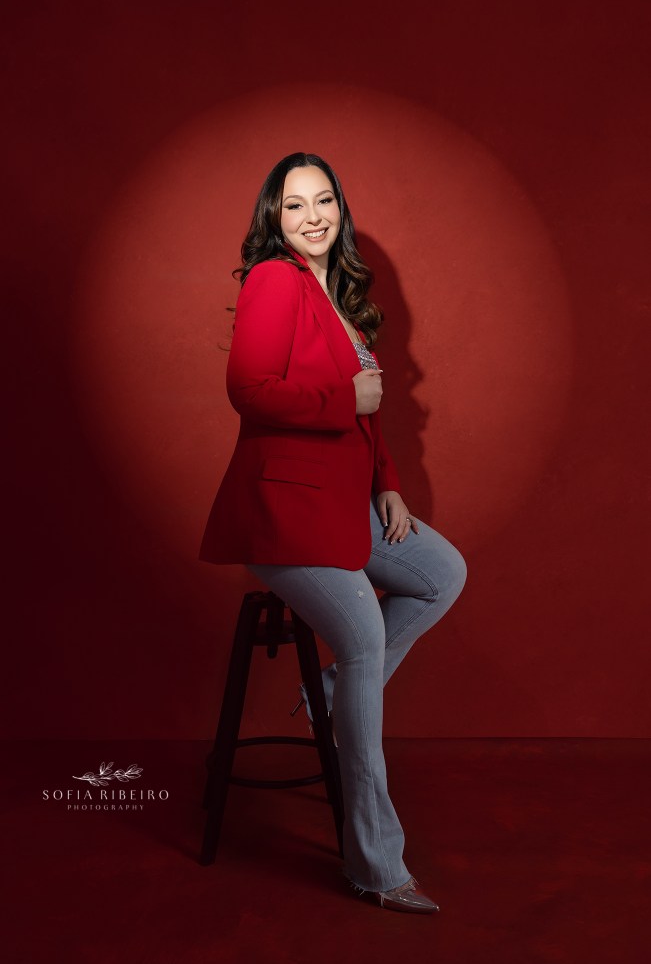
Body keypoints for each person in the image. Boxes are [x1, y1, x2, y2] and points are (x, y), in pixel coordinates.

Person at [199, 152, 467, 914]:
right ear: (272, 219)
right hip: (284, 512)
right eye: (293, 205)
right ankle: (376, 865)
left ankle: (327, 693)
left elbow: (368, 409)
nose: (312, 216)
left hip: (346, 501)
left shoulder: (337, 292)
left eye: (323, 201)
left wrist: (386, 484)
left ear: (339, 211)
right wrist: (340, 394)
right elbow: (248, 391)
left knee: (441, 572)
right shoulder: (272, 280)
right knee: (361, 645)